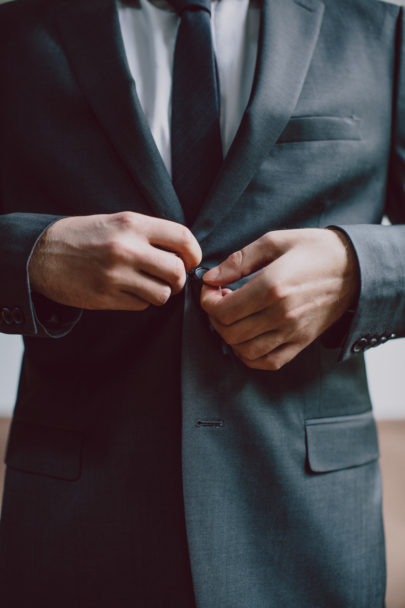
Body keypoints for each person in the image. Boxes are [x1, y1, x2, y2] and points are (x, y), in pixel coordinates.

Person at [0, 0, 403, 605]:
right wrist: (32, 254)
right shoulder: (18, 33)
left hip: (307, 528)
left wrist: (357, 269)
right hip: (75, 530)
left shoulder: (377, 29)